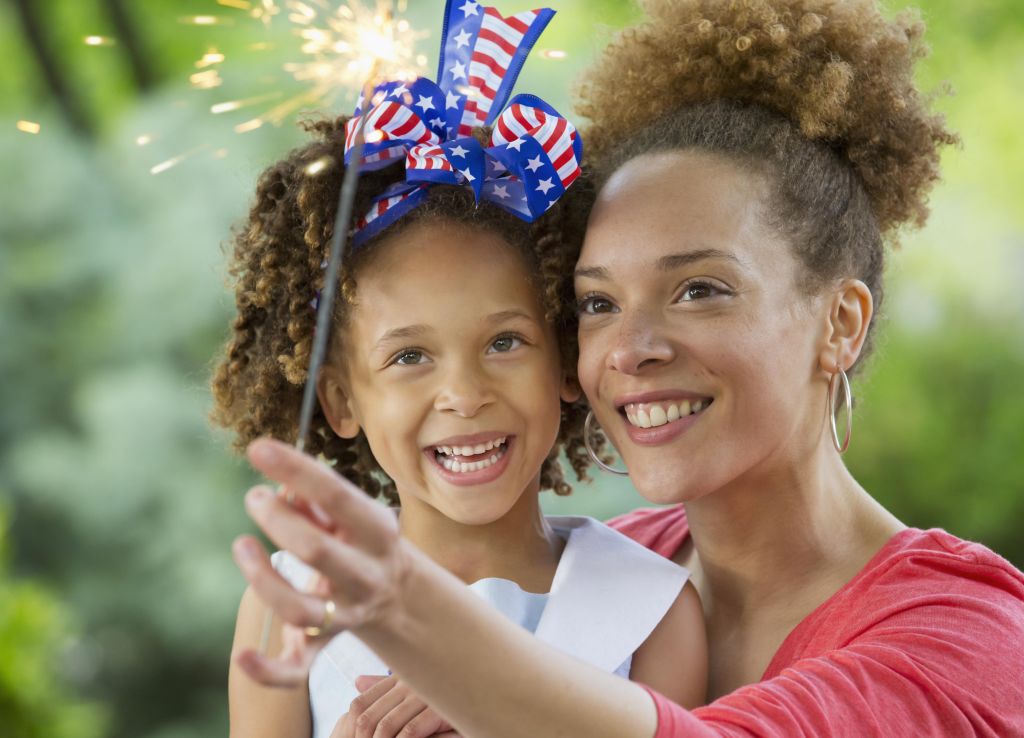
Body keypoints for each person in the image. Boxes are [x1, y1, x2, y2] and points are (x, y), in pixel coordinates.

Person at [231, 0, 1024, 736]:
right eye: (598, 303)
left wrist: (458, 658)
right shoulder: (616, 563)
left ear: (839, 322)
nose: (631, 347)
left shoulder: (968, 633)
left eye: (700, 290)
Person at [214, 3, 706, 737]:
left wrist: (497, 702)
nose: (465, 395)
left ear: (566, 361)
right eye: (409, 357)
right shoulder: (295, 602)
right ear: (341, 399)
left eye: (505, 343)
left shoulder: (652, 610)